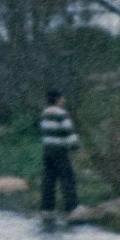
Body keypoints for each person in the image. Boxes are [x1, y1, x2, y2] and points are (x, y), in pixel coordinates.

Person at [36, 88, 81, 216]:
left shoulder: (44, 113)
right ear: (57, 100)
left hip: (47, 150)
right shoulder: (61, 113)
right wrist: (76, 148)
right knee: (67, 177)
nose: (63, 100)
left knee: (49, 179)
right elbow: (68, 132)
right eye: (62, 98)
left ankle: (47, 208)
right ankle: (72, 207)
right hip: (60, 150)